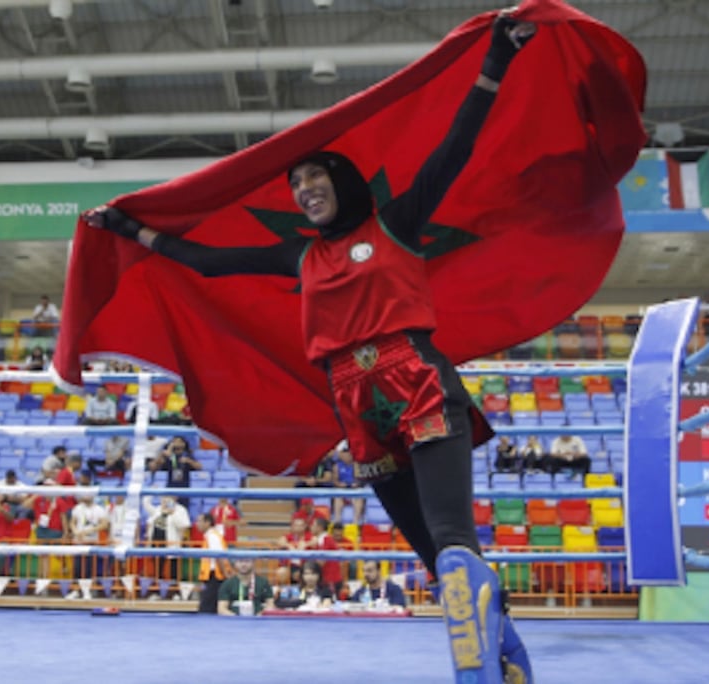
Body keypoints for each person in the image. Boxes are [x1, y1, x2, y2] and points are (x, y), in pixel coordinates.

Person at [85, 12, 535, 680]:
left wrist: (495, 62)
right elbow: (209, 264)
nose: (303, 190)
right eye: (295, 186)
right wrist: (133, 232)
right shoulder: (300, 255)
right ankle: (504, 654)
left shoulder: (397, 224)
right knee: (435, 555)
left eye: (314, 177)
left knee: (450, 540)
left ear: (343, 180)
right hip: (355, 402)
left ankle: (480, 667)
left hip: (415, 376)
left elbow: (455, 147)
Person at [195, 512, 231, 614]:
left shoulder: (212, 536)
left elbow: (218, 556)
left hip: (215, 576)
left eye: (199, 521)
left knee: (207, 608)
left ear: (208, 523)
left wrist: (225, 574)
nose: (197, 524)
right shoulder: (210, 536)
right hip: (213, 576)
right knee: (210, 606)